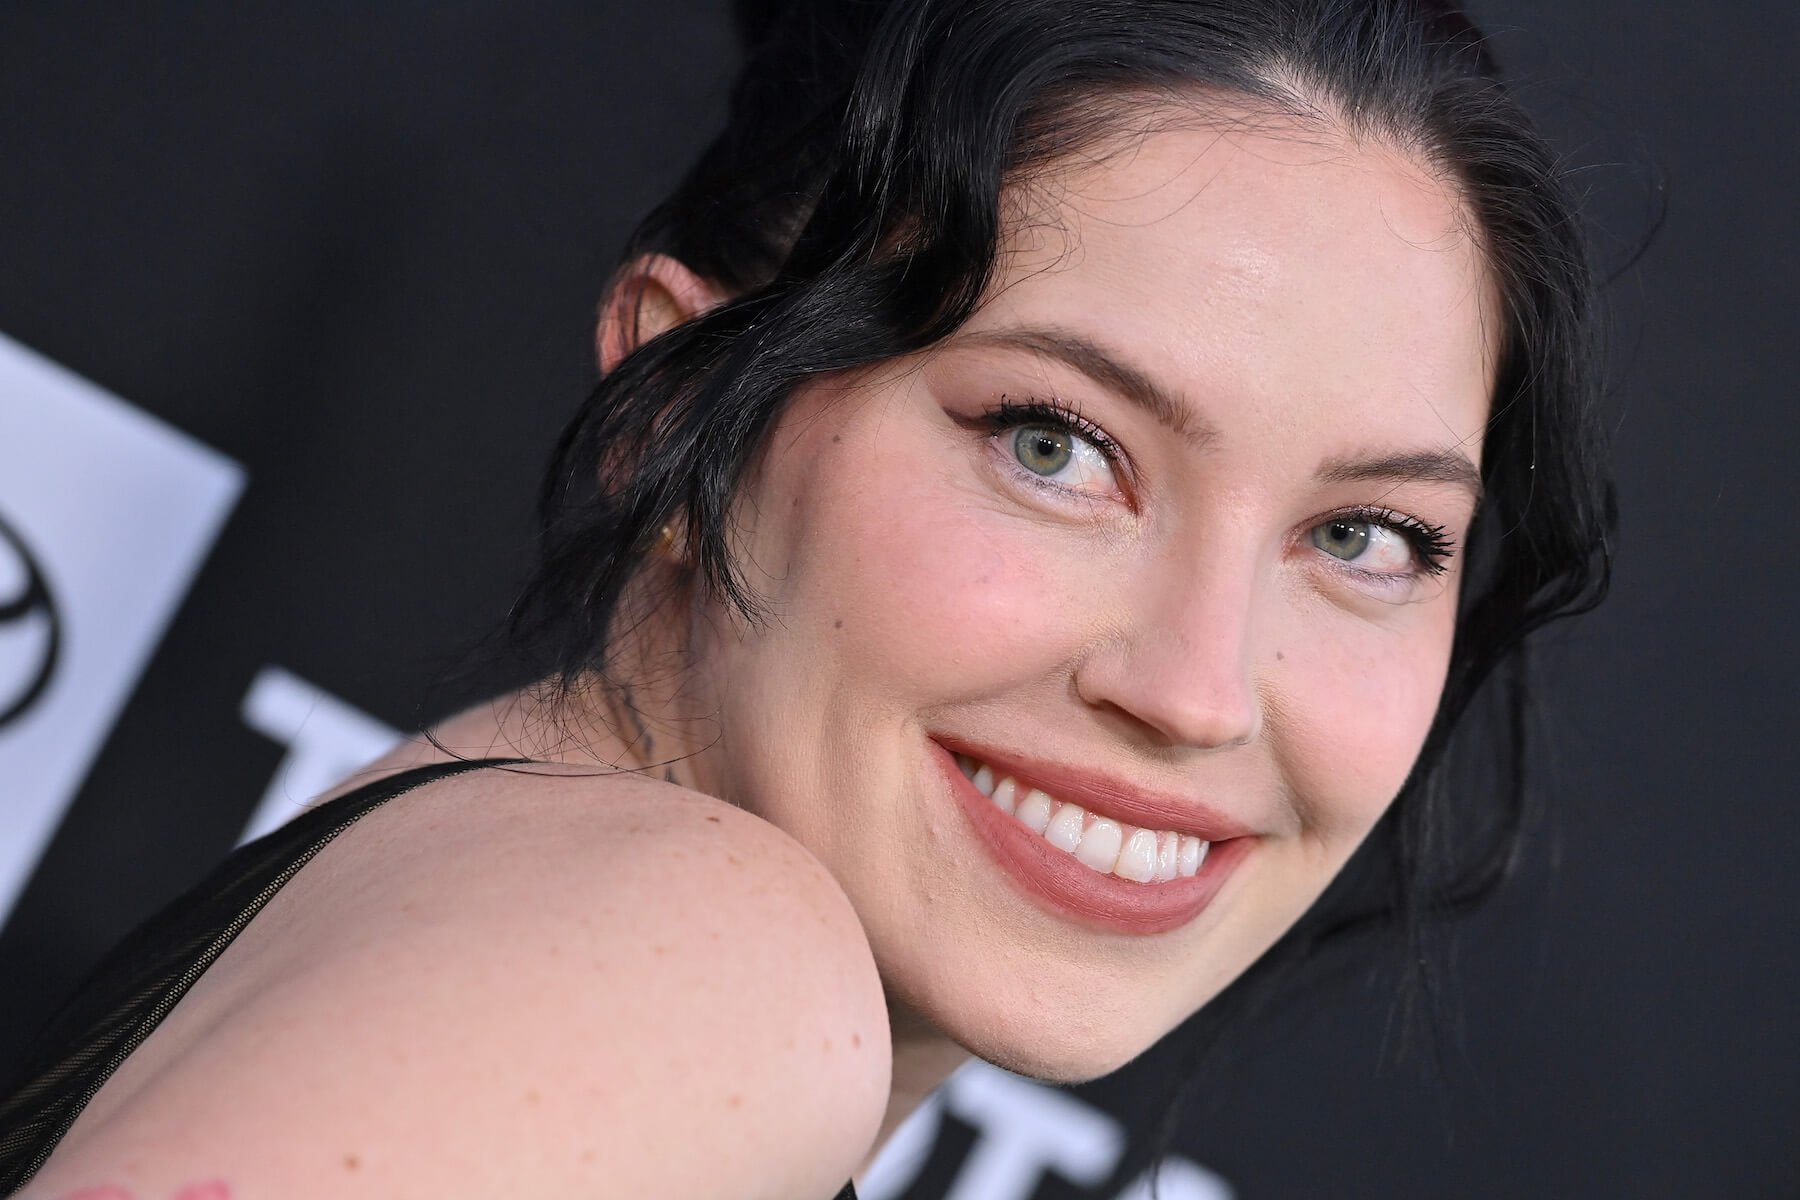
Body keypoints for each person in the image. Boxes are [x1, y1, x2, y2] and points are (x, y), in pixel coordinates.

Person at [0, 0, 1614, 1196]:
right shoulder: (689, 954)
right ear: (676, 409)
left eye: (1368, 538)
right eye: (1054, 444)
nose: (1199, 689)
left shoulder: (506, 890)